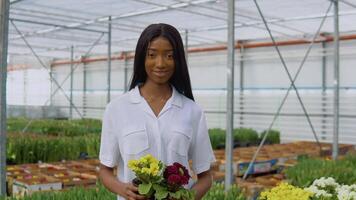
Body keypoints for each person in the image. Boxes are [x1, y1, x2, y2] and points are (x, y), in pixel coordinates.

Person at [99, 23, 216, 200]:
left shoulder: (192, 111)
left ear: (178, 60)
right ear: (141, 58)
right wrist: (123, 189)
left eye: (169, 56)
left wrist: (187, 197)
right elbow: (105, 170)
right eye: (152, 55)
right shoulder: (117, 109)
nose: (160, 64)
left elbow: (205, 177)